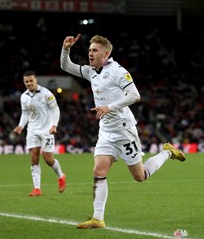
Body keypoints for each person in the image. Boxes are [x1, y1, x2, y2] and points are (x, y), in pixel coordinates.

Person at [60, 34, 186, 229]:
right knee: (99, 170)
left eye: (94, 50)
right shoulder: (92, 71)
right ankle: (98, 218)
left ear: (106, 53)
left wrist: (110, 107)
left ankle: (168, 152)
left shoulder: (118, 71)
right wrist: (66, 49)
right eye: (89, 50)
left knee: (140, 176)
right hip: (106, 130)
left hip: (124, 129)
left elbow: (135, 95)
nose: (90, 54)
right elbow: (66, 66)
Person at [13, 70, 66, 196]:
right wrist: (21, 126)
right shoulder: (24, 96)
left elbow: (55, 109)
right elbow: (25, 113)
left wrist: (54, 125)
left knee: (48, 159)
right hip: (32, 130)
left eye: (31, 81)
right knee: (34, 157)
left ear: (36, 80)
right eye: (26, 81)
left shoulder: (46, 93)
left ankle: (61, 175)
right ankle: (37, 188)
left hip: (47, 130)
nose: (29, 83)